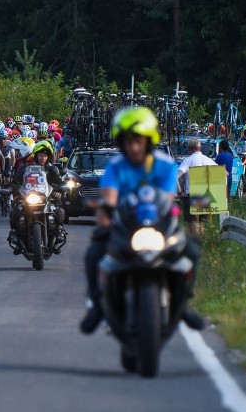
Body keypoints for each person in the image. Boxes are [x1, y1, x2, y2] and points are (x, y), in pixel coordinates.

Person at [79, 107, 204, 334]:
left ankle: (183, 303)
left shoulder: (165, 165)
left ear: (148, 140)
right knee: (94, 253)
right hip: (124, 225)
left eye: (138, 141)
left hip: (158, 225)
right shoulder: (116, 167)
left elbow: (167, 198)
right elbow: (109, 197)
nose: (134, 146)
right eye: (128, 141)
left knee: (192, 250)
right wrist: (107, 214)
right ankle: (97, 306)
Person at [7, 140, 65, 254]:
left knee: (60, 211)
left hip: (47, 198)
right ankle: (16, 236)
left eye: (45, 155)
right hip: (28, 197)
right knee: (14, 212)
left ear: (48, 157)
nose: (43, 158)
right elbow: (15, 181)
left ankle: (58, 233)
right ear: (36, 156)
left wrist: (58, 190)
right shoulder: (25, 168)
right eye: (40, 155)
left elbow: (59, 182)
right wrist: (12, 189)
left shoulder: (52, 169)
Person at [177, 137, 221, 236]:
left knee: (192, 222)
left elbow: (175, 177)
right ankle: (201, 245)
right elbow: (224, 173)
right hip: (205, 195)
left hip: (191, 195)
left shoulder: (187, 161)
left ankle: (196, 244)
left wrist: (180, 192)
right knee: (201, 223)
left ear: (189, 149)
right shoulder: (208, 160)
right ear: (200, 148)